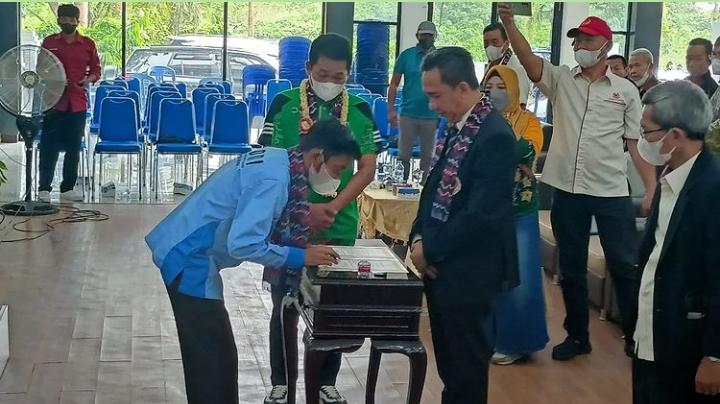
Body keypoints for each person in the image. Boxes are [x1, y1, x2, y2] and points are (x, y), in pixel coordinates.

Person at [145, 119, 361, 404]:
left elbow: (261, 220)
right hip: (189, 258)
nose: (338, 178)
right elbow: (243, 243)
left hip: (190, 253)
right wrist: (300, 255)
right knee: (213, 360)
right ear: (318, 157)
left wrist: (300, 246)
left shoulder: (279, 160)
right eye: (338, 169)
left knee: (210, 356)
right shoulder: (275, 180)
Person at [498, 5, 658, 361]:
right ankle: (577, 336)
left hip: (611, 190)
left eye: (587, 40)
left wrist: (650, 187)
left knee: (624, 265)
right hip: (568, 190)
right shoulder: (561, 80)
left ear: (605, 45)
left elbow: (636, 144)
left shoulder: (626, 91)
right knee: (571, 268)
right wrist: (509, 24)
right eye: (577, 40)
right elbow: (528, 60)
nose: (580, 45)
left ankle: (636, 337)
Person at [259, 33, 380, 404]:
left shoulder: (360, 109)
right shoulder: (283, 104)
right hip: (288, 222)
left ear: (349, 74)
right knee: (285, 306)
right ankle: (281, 381)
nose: (330, 82)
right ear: (308, 68)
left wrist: (334, 207)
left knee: (332, 308)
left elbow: (367, 167)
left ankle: (327, 380)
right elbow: (268, 164)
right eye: (323, 74)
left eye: (339, 77)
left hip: (337, 224)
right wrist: (301, 207)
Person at [409, 46, 518, 404]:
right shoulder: (458, 127)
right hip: (442, 265)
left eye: (436, 96)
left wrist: (430, 250)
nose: (432, 106)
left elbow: (482, 216)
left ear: (462, 88)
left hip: (470, 271)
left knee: (466, 370)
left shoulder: (494, 135)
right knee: (451, 367)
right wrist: (418, 237)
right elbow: (432, 191)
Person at [631, 80, 720, 404]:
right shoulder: (670, 176)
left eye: (646, 132)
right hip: (650, 334)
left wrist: (714, 355)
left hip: (687, 347)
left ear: (676, 136)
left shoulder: (712, 189)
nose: (642, 140)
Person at [484, 65, 549, 366]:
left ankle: (517, 342)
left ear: (513, 90)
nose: (495, 93)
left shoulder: (529, 121)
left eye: (501, 87)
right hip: (486, 208)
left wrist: (495, 150)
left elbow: (525, 150)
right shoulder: (478, 118)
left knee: (520, 277)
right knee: (488, 274)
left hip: (520, 208)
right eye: (489, 87)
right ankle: (487, 337)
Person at [38, 4, 101, 203]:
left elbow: (96, 71)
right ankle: (44, 188)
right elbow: (40, 69)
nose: (67, 22)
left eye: (71, 19)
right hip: (53, 103)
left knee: (74, 147)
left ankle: (67, 188)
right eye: (63, 18)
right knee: (49, 147)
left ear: (77, 21)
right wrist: (54, 79)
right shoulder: (49, 42)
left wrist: (87, 80)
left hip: (77, 103)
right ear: (59, 20)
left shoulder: (87, 44)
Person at [388, 21, 440, 182]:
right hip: (407, 114)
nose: (426, 38)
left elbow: (448, 86)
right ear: (417, 36)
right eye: (423, 35)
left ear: (435, 37)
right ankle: (400, 186)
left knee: (427, 157)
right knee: (403, 155)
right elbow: (394, 84)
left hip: (431, 115)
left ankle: (424, 189)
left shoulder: (441, 58)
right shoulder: (406, 56)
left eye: (430, 35)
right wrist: (390, 110)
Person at [483, 22, 531, 107]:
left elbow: (521, 105)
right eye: (486, 43)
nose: (489, 47)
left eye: (495, 42)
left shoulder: (517, 69)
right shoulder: (491, 65)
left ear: (506, 44)